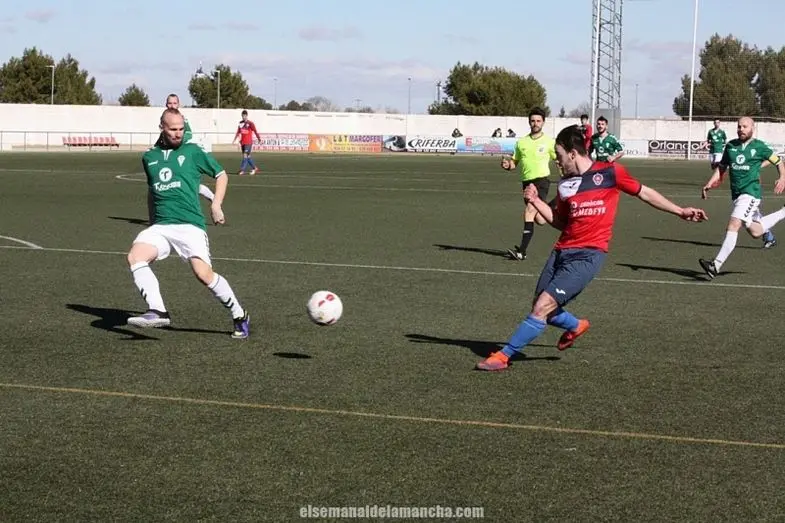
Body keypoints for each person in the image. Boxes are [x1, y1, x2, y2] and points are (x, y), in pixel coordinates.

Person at [476, 125, 708, 371]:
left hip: (588, 255)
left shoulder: (610, 172)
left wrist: (680, 211)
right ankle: (575, 325)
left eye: (560, 156)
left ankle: (504, 356)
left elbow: (645, 193)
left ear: (573, 154)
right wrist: (535, 201)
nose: (557, 162)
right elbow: (559, 222)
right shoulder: (566, 184)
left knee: (542, 306)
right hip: (561, 251)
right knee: (541, 305)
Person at [126, 108, 250, 339]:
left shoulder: (193, 151)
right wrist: (152, 221)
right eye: (173, 129)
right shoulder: (149, 157)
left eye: (181, 129)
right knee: (135, 257)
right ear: (162, 128)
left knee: (203, 274)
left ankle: (239, 314)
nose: (178, 133)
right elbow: (152, 192)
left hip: (189, 225)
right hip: (161, 226)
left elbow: (221, 175)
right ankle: (158, 311)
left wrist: (216, 204)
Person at [699, 116, 785, 278]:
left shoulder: (759, 147)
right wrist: (710, 183)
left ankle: (716, 265)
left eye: (745, 126)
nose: (741, 129)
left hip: (750, 193)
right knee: (756, 231)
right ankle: (783, 212)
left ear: (753, 128)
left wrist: (783, 177)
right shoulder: (730, 146)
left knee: (733, 224)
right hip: (737, 195)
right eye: (739, 126)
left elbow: (778, 161)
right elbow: (721, 168)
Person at [500, 107, 556, 260]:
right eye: (533, 121)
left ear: (543, 122)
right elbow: (514, 163)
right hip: (526, 183)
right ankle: (556, 203)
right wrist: (508, 165)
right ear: (529, 122)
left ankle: (522, 252)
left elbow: (558, 160)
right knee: (540, 219)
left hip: (541, 182)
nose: (535, 123)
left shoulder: (549, 142)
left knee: (529, 212)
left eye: (538, 121)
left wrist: (567, 175)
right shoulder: (521, 142)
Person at [156, 94, 215, 203]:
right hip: (168, 153)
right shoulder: (164, 118)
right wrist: (156, 148)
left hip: (181, 152)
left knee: (185, 181)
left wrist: (177, 141)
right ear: (166, 104)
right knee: (172, 181)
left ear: (178, 104)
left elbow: (188, 134)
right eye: (170, 103)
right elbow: (162, 136)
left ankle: (211, 197)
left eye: (174, 103)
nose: (172, 105)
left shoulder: (181, 118)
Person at [232, 109, 262, 175]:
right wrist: (234, 139)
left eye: (244, 116)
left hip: (248, 142)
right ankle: (255, 168)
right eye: (242, 116)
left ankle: (242, 170)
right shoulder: (240, 123)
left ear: (247, 116)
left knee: (245, 155)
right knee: (248, 156)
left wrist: (259, 138)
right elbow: (238, 131)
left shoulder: (250, 123)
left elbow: (255, 131)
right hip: (242, 142)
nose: (243, 117)